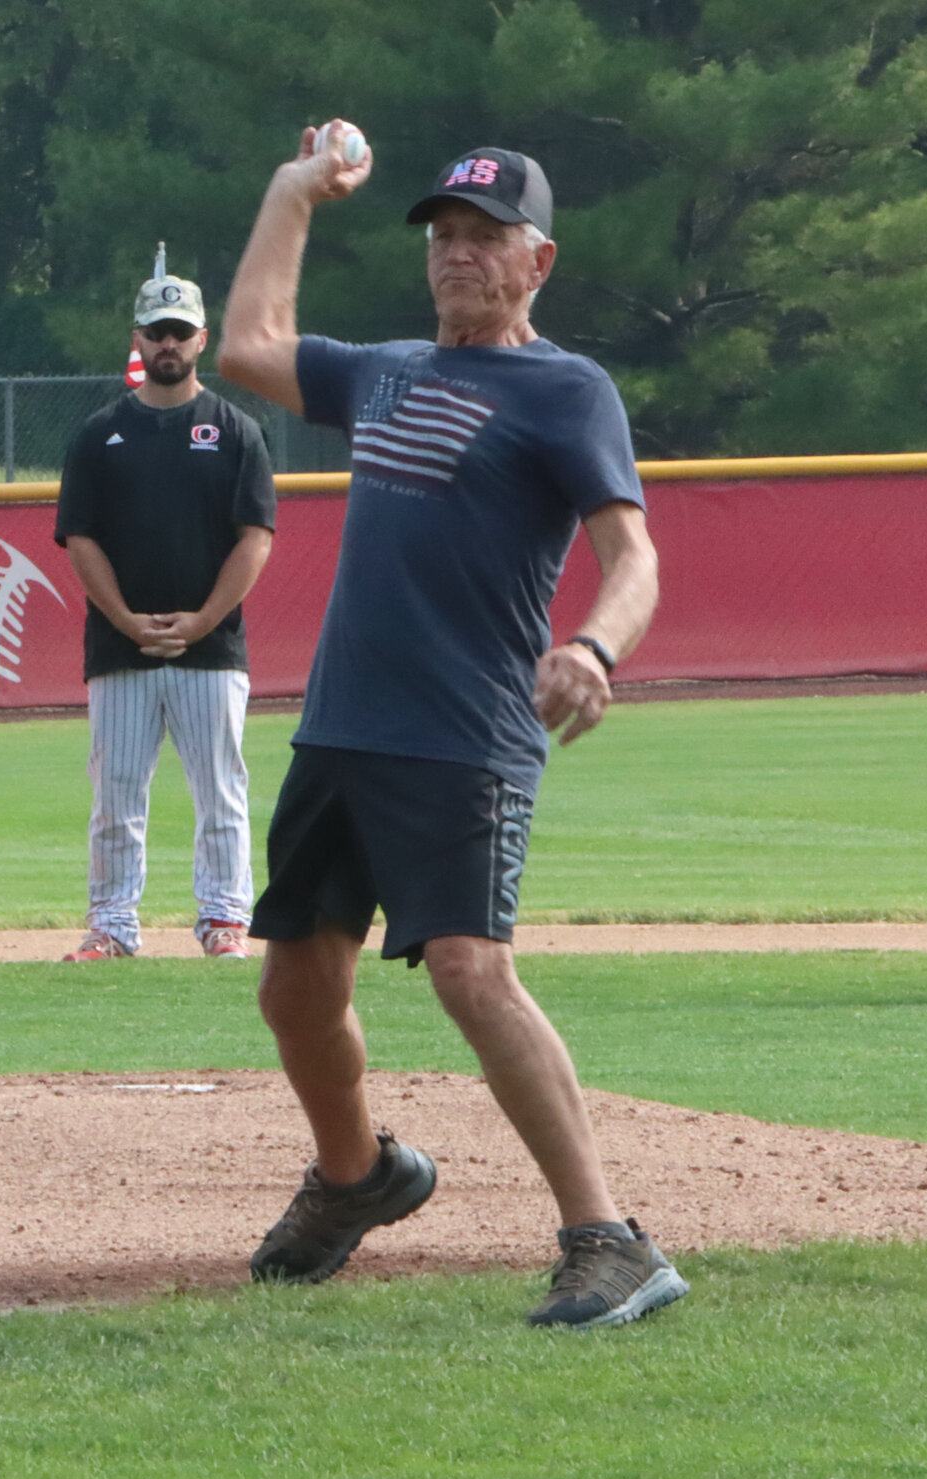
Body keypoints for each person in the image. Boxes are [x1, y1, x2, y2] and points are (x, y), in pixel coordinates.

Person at [216, 126, 689, 1328]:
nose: (458, 256)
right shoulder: (381, 371)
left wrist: (593, 646)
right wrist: (292, 191)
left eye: (486, 239)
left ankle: (609, 1239)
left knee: (472, 975)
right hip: (343, 728)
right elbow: (247, 346)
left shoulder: (564, 389)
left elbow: (633, 555)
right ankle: (355, 1177)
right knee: (294, 986)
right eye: (444, 236)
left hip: (464, 734)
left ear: (540, 262)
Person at [55, 266, 276, 962]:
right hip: (121, 649)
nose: (168, 344)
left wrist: (205, 619)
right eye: (157, 332)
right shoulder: (100, 433)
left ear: (202, 339)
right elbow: (80, 536)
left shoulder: (236, 430)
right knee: (117, 795)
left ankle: (223, 918)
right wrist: (122, 617)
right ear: (138, 339)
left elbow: (255, 538)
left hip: (211, 649)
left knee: (221, 793)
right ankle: (114, 923)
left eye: (180, 332)